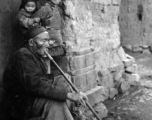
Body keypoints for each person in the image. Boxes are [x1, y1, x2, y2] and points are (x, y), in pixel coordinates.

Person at [2, 25, 88, 120]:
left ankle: (73, 113)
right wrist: (69, 95)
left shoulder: (36, 56)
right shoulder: (22, 56)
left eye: (48, 41)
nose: (47, 44)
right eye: (44, 41)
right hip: (20, 103)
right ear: (31, 42)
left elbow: (42, 79)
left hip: (31, 97)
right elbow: (35, 84)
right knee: (56, 102)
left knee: (64, 79)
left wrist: (65, 89)